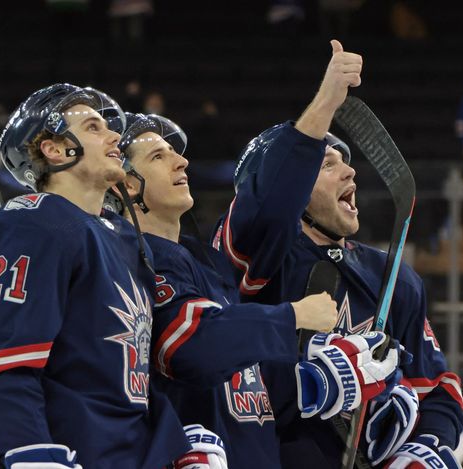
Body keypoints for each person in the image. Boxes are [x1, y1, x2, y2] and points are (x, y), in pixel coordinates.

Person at [113, 39, 408, 468]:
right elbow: (187, 347)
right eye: (160, 156)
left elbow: (246, 392)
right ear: (123, 184)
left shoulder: (207, 266)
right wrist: (293, 318)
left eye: (177, 153)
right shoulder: (131, 259)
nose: (182, 163)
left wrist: (324, 386)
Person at [214, 40, 463, 468]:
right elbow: (271, 204)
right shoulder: (259, 252)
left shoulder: (392, 276)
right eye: (326, 164)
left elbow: (437, 384)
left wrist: (428, 447)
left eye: (344, 162)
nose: (350, 170)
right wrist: (328, 100)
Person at [0, 83, 195, 469]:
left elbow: (135, 380)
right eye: (94, 128)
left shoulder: (124, 240)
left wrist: (177, 443)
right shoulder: (33, 221)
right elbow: (0, 357)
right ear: (54, 150)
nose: (115, 135)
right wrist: (28, 448)